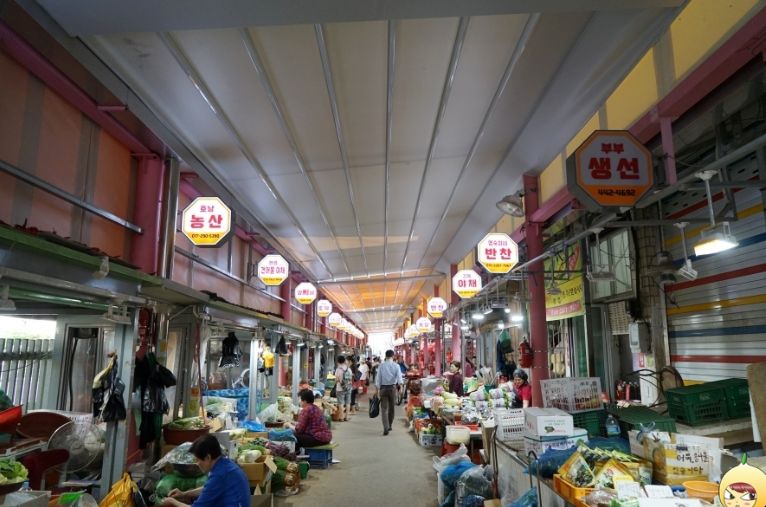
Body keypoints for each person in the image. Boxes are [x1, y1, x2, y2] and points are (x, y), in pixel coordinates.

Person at [161, 434, 250, 507]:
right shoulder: (226, 464)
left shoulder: (220, 474)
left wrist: (172, 501)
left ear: (208, 457)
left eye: (198, 460)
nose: (197, 464)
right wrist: (184, 494)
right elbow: (208, 489)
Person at [375, 349, 403, 436]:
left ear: (385, 356)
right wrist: (401, 387)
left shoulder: (381, 366)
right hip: (392, 388)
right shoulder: (396, 366)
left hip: (383, 389)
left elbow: (378, 378)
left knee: (384, 409)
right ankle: (390, 425)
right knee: (392, 408)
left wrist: (377, 390)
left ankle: (385, 427)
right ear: (393, 356)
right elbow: (399, 378)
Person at [334, 355, 352, 421]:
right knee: (348, 402)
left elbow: (336, 380)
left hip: (340, 388)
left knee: (341, 403)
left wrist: (338, 381)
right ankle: (346, 417)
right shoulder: (348, 369)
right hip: (348, 387)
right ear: (344, 361)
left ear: (338, 361)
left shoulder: (338, 369)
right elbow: (350, 379)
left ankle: (341, 417)